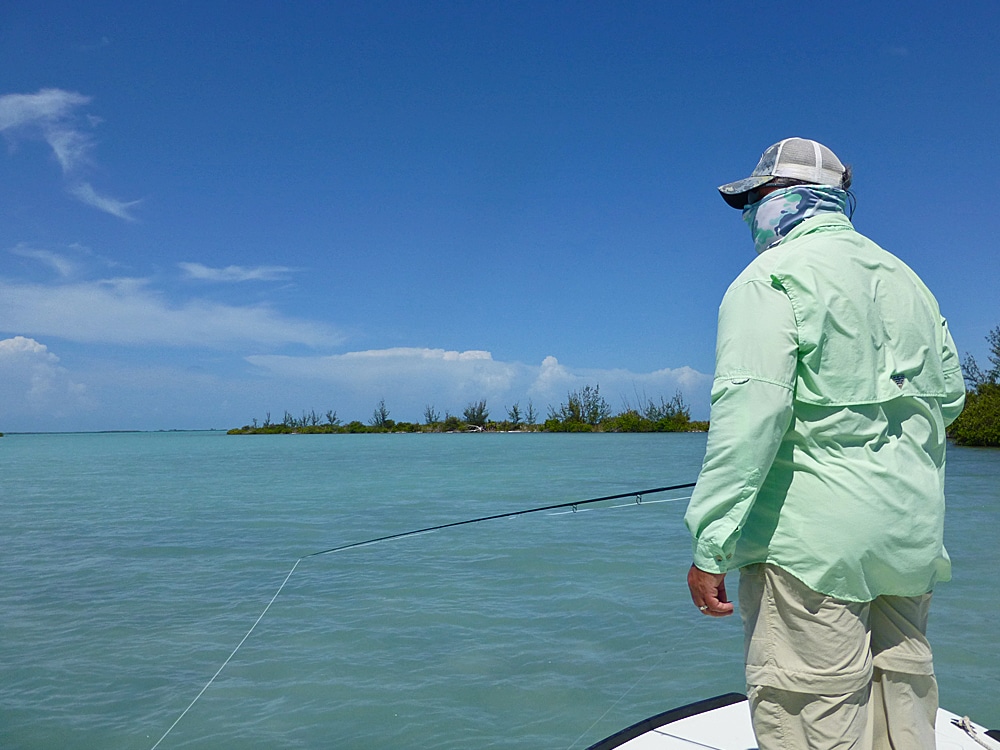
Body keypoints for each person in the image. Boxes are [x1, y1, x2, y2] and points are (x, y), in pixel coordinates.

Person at [683, 137, 966, 750]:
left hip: (811, 549)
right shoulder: (908, 279)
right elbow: (949, 401)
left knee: (814, 719)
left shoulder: (768, 280)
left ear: (777, 198)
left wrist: (712, 543)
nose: (748, 219)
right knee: (905, 711)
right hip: (909, 537)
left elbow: (749, 418)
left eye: (749, 203)